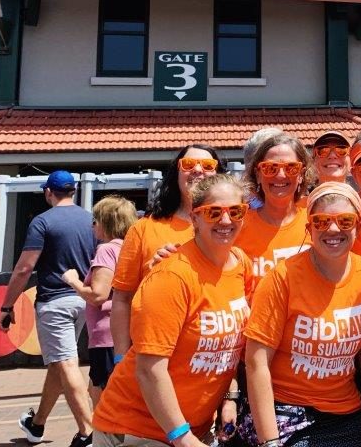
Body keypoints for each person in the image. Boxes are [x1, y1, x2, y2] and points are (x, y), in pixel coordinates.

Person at [92, 174, 253, 447]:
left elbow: (230, 350)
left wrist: (229, 397)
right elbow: (149, 369)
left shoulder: (241, 265)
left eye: (235, 211)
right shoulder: (172, 276)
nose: (226, 221)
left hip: (191, 429)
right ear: (195, 217)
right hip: (139, 430)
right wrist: (182, 437)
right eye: (213, 212)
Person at [243, 182, 361, 446]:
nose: (333, 229)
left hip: (347, 414)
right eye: (321, 221)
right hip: (287, 411)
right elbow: (256, 361)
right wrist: (269, 441)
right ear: (309, 230)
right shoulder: (282, 278)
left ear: (359, 227)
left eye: (345, 220)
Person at [0, 170, 96, 447]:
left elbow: (25, 267)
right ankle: (37, 424)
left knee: (66, 363)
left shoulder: (42, 221)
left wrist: (7, 306)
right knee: (59, 364)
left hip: (55, 301)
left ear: (48, 193)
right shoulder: (90, 219)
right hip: (83, 299)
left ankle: (88, 433)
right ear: (73, 192)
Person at [111, 144, 223, 357]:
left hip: (216, 362)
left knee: (229, 394)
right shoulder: (144, 228)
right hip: (155, 356)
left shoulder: (231, 228)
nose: (198, 170)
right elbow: (121, 299)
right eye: (188, 164)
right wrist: (120, 357)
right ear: (176, 173)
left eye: (208, 165)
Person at [61, 196, 137, 406]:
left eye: (95, 220)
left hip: (107, 336)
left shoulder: (107, 250)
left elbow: (98, 295)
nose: (92, 225)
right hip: (129, 332)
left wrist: (73, 281)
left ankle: (105, 437)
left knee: (105, 397)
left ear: (105, 223)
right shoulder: (132, 248)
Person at [239, 132, 312, 277]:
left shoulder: (316, 222)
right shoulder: (237, 226)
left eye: (291, 167)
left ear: (301, 175)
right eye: (270, 168)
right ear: (258, 174)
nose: (280, 175)